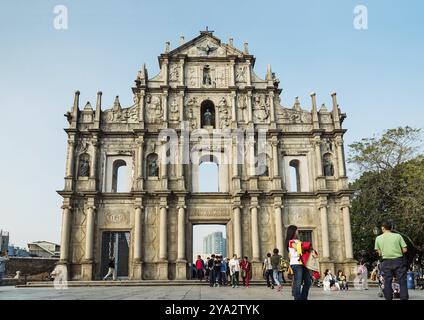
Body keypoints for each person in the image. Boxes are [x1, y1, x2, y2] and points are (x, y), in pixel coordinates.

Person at [374, 221, 409, 300]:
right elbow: (405, 250)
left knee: (387, 281)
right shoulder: (398, 236)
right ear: (391, 228)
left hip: (386, 262)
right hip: (398, 261)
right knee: (402, 282)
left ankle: (388, 298)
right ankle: (404, 298)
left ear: (383, 228)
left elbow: (379, 253)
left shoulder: (378, 238)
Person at [285, 225, 312, 300]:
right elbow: (298, 248)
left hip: (303, 263)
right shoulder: (291, 242)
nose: (298, 232)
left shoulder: (298, 241)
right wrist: (306, 246)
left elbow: (302, 248)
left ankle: (303, 298)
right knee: (298, 283)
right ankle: (297, 298)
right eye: (296, 230)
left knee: (308, 281)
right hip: (296, 264)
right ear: (293, 232)